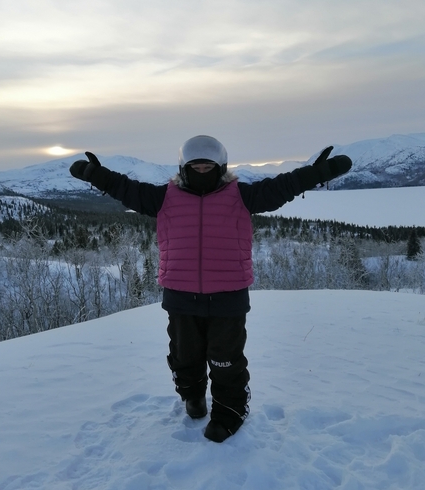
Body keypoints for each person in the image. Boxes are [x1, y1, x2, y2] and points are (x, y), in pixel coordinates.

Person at [70, 136, 352, 442]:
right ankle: (192, 396)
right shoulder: (163, 197)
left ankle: (230, 410)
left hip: (228, 295)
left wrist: (317, 173)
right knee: (184, 356)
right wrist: (96, 175)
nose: (202, 170)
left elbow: (283, 186)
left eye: (208, 165)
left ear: (221, 167)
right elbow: (124, 188)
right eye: (195, 166)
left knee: (225, 358)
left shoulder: (243, 195)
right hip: (179, 294)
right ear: (183, 167)